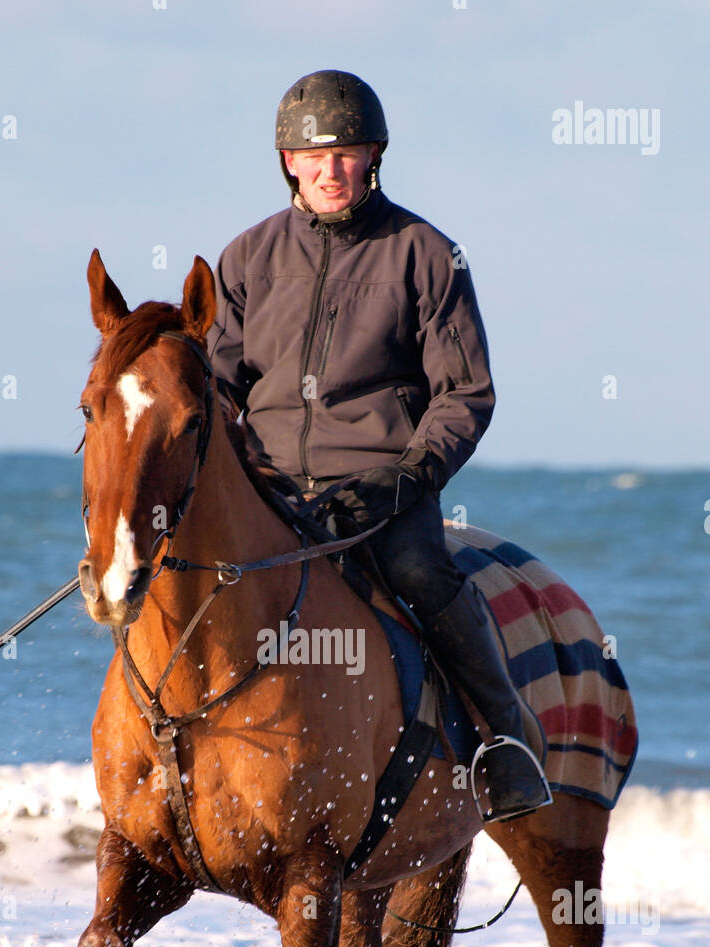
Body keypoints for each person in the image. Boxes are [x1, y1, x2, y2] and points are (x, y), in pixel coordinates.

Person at [207, 69, 550, 821]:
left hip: (380, 490)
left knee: (421, 571)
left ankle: (505, 740)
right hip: (270, 487)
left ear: (373, 157)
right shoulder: (244, 258)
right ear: (288, 162)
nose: (331, 171)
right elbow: (218, 388)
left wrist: (408, 476)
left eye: (347, 154)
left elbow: (464, 393)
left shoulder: (425, 254)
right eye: (315, 157)